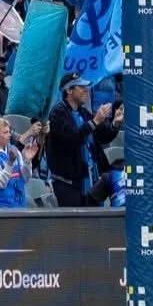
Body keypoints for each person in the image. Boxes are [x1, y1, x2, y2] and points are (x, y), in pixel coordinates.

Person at [47, 75, 121, 207]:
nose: (86, 90)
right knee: (75, 220)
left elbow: (102, 137)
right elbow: (72, 137)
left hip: (90, 179)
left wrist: (115, 124)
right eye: (81, 87)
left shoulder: (84, 113)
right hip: (68, 185)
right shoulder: (58, 113)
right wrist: (95, 122)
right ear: (69, 90)